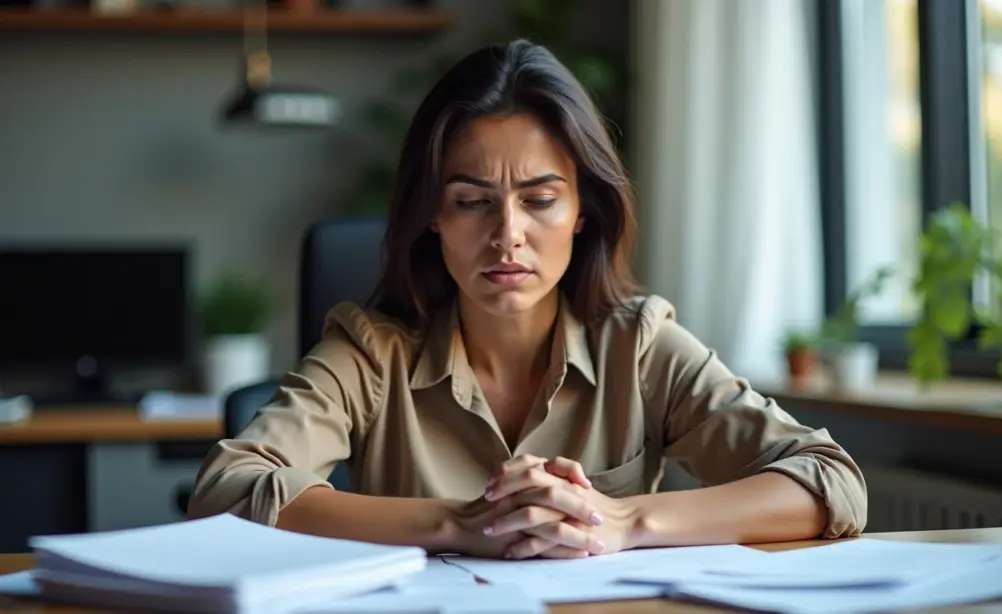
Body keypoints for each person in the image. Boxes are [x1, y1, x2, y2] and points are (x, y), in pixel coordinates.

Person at [188, 39, 867, 560]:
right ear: (432, 215)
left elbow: (829, 480)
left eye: (540, 200)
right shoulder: (373, 350)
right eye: (471, 202)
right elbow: (224, 486)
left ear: (581, 212)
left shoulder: (638, 345)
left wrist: (621, 520)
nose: (507, 236)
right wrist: (456, 524)